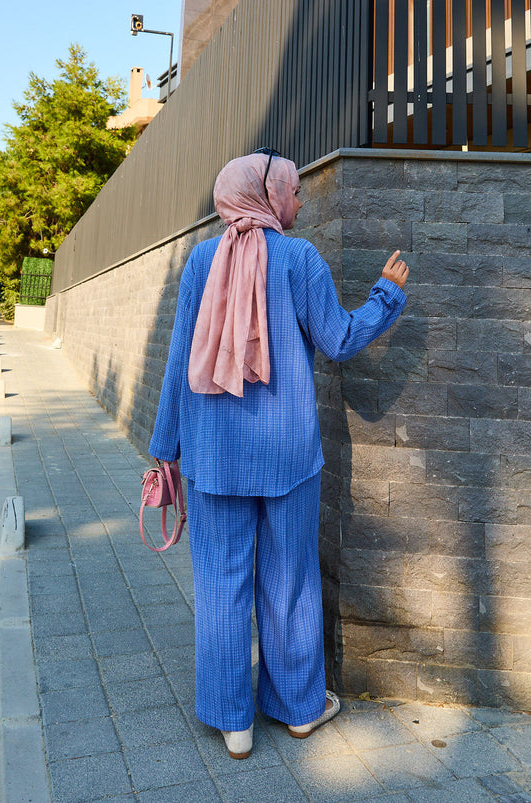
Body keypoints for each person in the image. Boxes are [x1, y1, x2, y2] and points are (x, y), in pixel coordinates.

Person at [149, 150, 409, 759]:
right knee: (289, 583)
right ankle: (297, 709)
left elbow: (177, 365)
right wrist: (386, 296)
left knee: (220, 585)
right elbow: (340, 339)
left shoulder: (200, 263)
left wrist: (167, 451)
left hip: (213, 460)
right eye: (293, 192)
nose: (300, 201)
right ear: (267, 196)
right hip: (288, 459)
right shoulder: (299, 259)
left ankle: (232, 722)